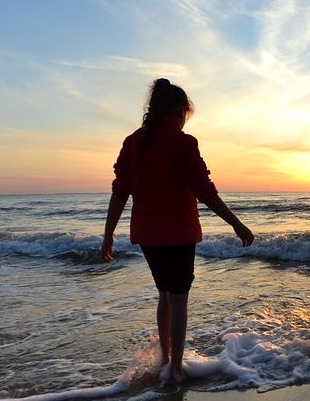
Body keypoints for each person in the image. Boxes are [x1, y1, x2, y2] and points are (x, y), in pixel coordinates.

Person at [102, 78, 254, 384]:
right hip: (179, 233)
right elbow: (205, 191)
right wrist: (236, 223)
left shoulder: (133, 143)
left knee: (164, 293)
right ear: (179, 111)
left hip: (147, 234)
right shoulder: (183, 143)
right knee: (178, 298)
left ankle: (168, 359)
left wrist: (108, 235)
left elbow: (120, 192)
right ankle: (176, 369)